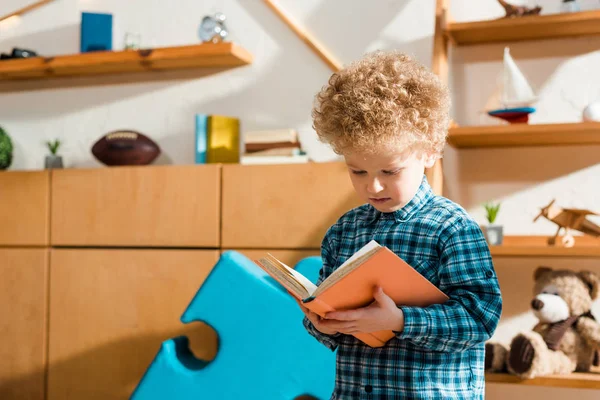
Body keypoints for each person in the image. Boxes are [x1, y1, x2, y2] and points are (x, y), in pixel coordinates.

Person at [298, 50, 503, 399]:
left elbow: (480, 319)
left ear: (428, 152)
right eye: (357, 171)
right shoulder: (343, 231)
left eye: (389, 172)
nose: (372, 186)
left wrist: (399, 321)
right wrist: (320, 322)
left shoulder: (452, 228)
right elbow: (327, 322)